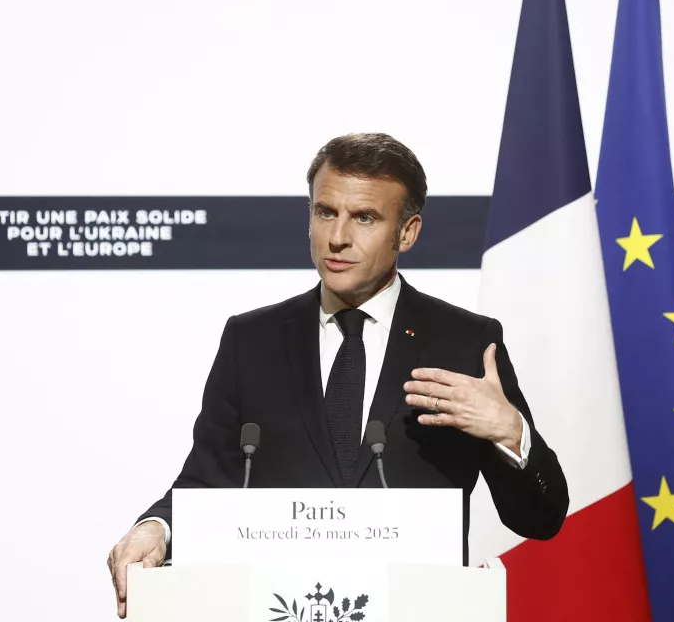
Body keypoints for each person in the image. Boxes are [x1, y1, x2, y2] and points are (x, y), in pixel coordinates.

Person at [106, 133, 568, 617]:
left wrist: (512, 432)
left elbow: (541, 518)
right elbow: (206, 481)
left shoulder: (466, 343)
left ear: (407, 233)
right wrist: (157, 528)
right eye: (325, 212)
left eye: (364, 218)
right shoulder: (252, 339)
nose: (338, 237)